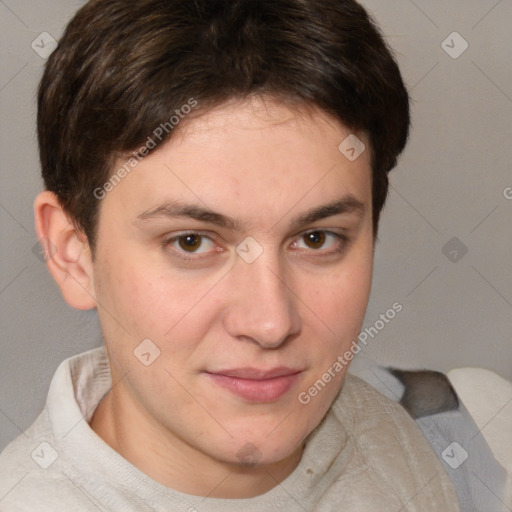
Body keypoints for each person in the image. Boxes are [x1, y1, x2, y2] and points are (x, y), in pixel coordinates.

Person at [0, 0, 497, 509]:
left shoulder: (395, 443)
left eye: (316, 238)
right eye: (191, 242)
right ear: (72, 253)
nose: (270, 324)